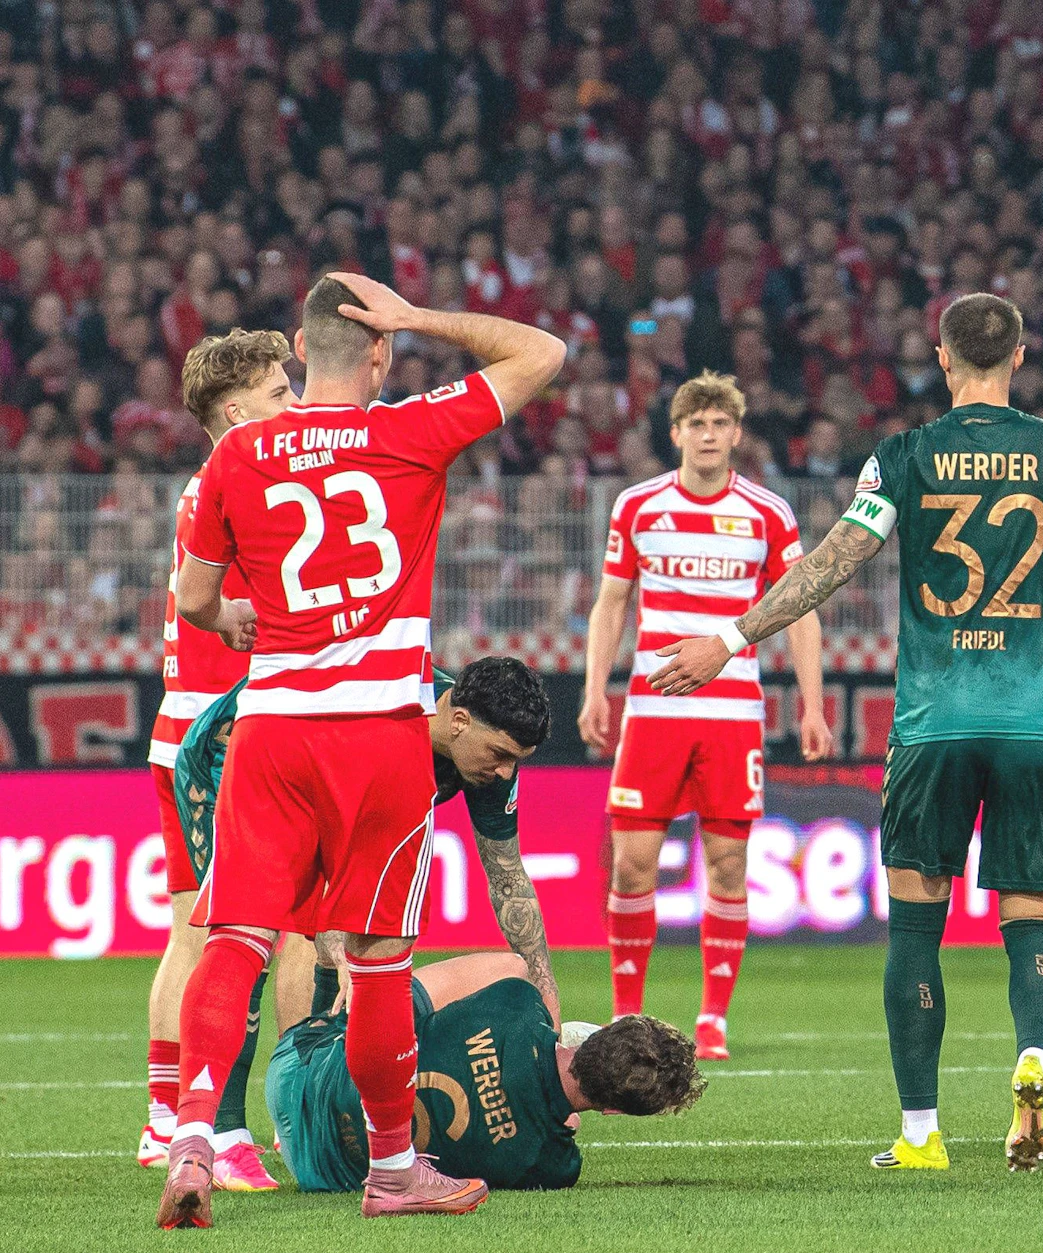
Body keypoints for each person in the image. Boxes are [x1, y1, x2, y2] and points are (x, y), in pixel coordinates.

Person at [648, 293, 1043, 1173]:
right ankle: (1036, 1055)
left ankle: (922, 1132)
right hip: (1039, 725)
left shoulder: (903, 456)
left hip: (934, 726)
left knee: (914, 932)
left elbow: (829, 565)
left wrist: (729, 638)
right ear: (1019, 356)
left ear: (941, 357)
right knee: (1035, 919)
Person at [157, 272, 565, 1228]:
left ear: (297, 354)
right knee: (378, 958)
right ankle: (391, 1170)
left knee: (237, 939)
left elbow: (193, 600)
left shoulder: (239, 453)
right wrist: (419, 316)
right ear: (376, 352)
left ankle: (190, 1136)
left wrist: (237, 614)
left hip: (273, 726)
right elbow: (541, 353)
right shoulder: (410, 428)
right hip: (379, 732)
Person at [576, 370, 832, 1059]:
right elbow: (611, 603)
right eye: (697, 423)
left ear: (737, 433)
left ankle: (713, 1017)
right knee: (632, 864)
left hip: (730, 713)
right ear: (677, 432)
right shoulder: (637, 505)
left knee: (726, 863)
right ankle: (627, 1015)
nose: (709, 434)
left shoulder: (768, 512)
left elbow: (800, 609)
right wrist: (595, 687)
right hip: (654, 709)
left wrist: (811, 703)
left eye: (721, 423)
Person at [140, 329, 303, 1192]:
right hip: (222, 742)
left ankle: (168, 1115)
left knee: (193, 934)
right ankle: (234, 1127)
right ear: (237, 412)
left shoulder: (203, 486)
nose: (297, 403)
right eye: (282, 392)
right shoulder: (248, 481)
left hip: (181, 733)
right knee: (258, 936)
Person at [175, 655, 559, 1016]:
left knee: (339, 945)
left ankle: (309, 1070)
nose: (506, 772)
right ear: (459, 721)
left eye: (516, 760)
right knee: (249, 939)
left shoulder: (485, 757)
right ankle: (228, 1083)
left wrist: (547, 997)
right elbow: (322, 860)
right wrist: (340, 953)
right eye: (500, 754)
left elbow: (508, 877)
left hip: (324, 776)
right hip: (229, 759)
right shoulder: (376, 722)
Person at [267, 951, 703, 1193]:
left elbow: (519, 985)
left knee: (509, 965)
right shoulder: (555, 1165)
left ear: (598, 1032)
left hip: (296, 1073)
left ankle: (352, 988)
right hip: (320, 1171)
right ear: (614, 1112)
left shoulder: (517, 1003)